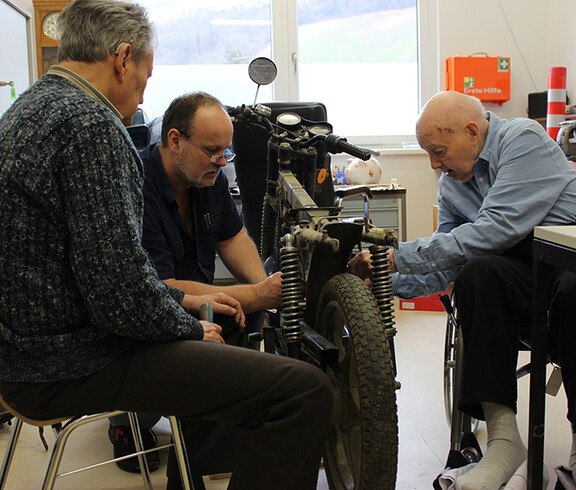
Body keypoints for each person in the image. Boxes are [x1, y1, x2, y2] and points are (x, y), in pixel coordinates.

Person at [0, 2, 333, 490]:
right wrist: (190, 322)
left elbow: (110, 279)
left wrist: (188, 301)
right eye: (144, 77)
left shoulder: (26, 110)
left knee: (218, 325)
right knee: (302, 393)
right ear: (123, 58)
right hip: (67, 362)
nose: (141, 95)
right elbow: (122, 297)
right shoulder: (91, 127)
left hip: (23, 355)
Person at [348, 90, 576, 489]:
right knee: (477, 275)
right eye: (427, 154)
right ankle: (505, 442)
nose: (435, 164)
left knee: (574, 289)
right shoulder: (453, 185)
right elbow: (446, 265)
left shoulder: (523, 139)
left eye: (438, 151)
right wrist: (383, 280)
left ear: (472, 131)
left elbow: (495, 229)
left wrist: (396, 256)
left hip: (566, 262)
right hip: (521, 279)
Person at [109, 92, 283, 485]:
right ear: (175, 141)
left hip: (194, 300)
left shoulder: (208, 177)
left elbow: (234, 238)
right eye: (212, 151)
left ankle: (207, 436)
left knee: (242, 312)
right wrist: (256, 294)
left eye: (227, 151)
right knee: (238, 307)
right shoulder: (135, 187)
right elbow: (161, 286)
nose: (222, 162)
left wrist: (262, 286)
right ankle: (127, 425)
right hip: (150, 311)